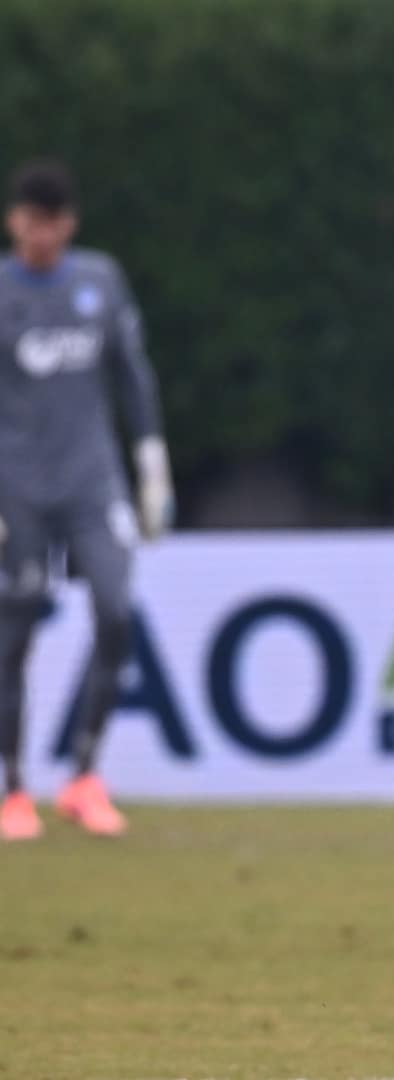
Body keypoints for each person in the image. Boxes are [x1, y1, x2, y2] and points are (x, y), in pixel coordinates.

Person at [0, 158, 172, 841]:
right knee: (15, 626)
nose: (42, 236)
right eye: (31, 222)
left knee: (117, 609)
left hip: (92, 481)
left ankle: (84, 777)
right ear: (14, 221)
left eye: (54, 223)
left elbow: (132, 376)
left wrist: (151, 466)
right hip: (16, 487)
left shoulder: (100, 282)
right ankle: (12, 789)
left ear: (69, 224)